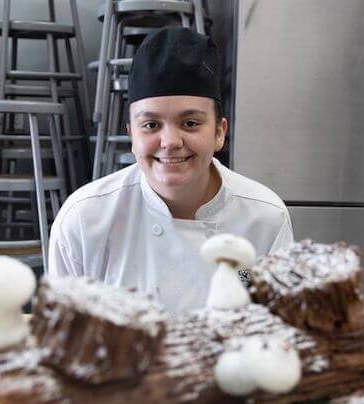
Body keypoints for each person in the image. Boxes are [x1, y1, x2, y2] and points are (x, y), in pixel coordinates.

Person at [48, 26, 293, 310]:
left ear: (219, 133)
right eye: (151, 125)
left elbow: (277, 326)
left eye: (190, 123)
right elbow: (63, 330)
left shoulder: (265, 219)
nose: (170, 142)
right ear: (132, 135)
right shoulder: (85, 219)